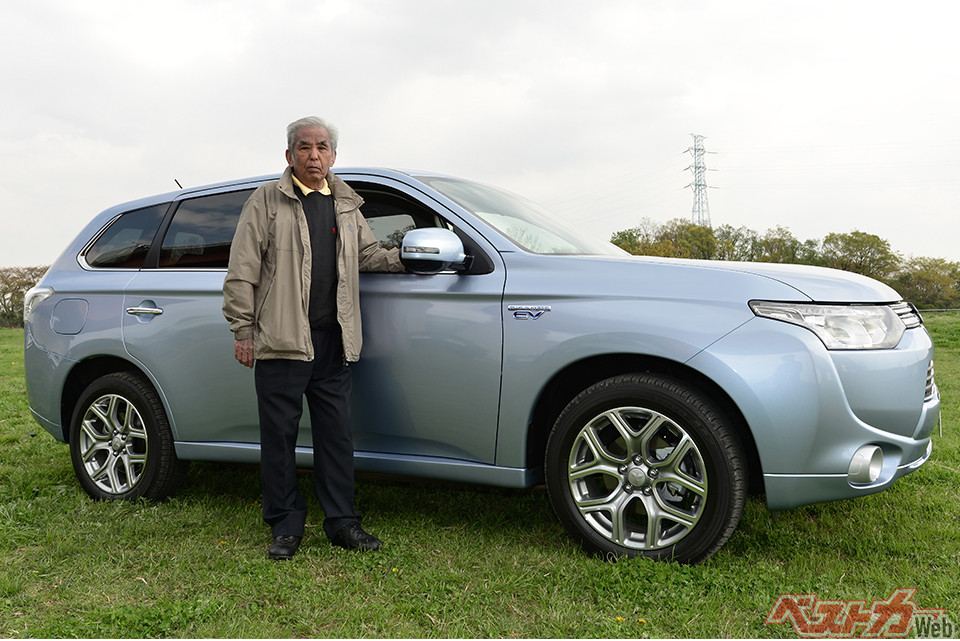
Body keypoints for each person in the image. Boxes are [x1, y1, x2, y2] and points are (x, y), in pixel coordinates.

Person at [223, 116, 403, 560]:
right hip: (281, 341)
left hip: (333, 342)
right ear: (289, 155)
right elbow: (242, 270)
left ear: (334, 156)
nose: (314, 155)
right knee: (279, 440)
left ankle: (343, 523)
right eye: (304, 147)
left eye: (322, 147)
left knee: (336, 438)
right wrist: (243, 329)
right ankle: (285, 525)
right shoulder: (267, 200)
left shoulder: (346, 204)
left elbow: (368, 255)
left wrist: (410, 257)